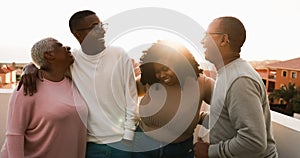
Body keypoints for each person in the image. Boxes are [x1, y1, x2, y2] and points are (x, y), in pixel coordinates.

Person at [18, 10, 139, 158]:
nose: (102, 30)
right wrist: (30, 67)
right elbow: (49, 64)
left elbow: (131, 97)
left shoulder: (119, 54)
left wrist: (128, 135)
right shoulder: (73, 60)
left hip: (121, 142)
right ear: (78, 34)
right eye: (95, 27)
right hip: (89, 145)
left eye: (101, 25)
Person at [193, 16, 278, 158]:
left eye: (207, 36)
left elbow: (253, 142)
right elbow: (227, 121)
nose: (202, 41)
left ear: (223, 40)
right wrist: (199, 118)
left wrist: (209, 152)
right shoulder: (226, 73)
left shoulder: (240, 80)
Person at [0, 37, 88, 158]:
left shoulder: (73, 80)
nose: (67, 47)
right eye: (60, 45)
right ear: (49, 55)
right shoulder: (28, 86)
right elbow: (15, 134)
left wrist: (30, 65)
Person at [134, 40, 214, 158]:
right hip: (142, 147)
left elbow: (226, 108)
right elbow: (123, 95)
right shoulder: (149, 79)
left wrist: (201, 117)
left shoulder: (202, 83)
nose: (161, 75)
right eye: (157, 71)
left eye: (165, 69)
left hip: (179, 151)